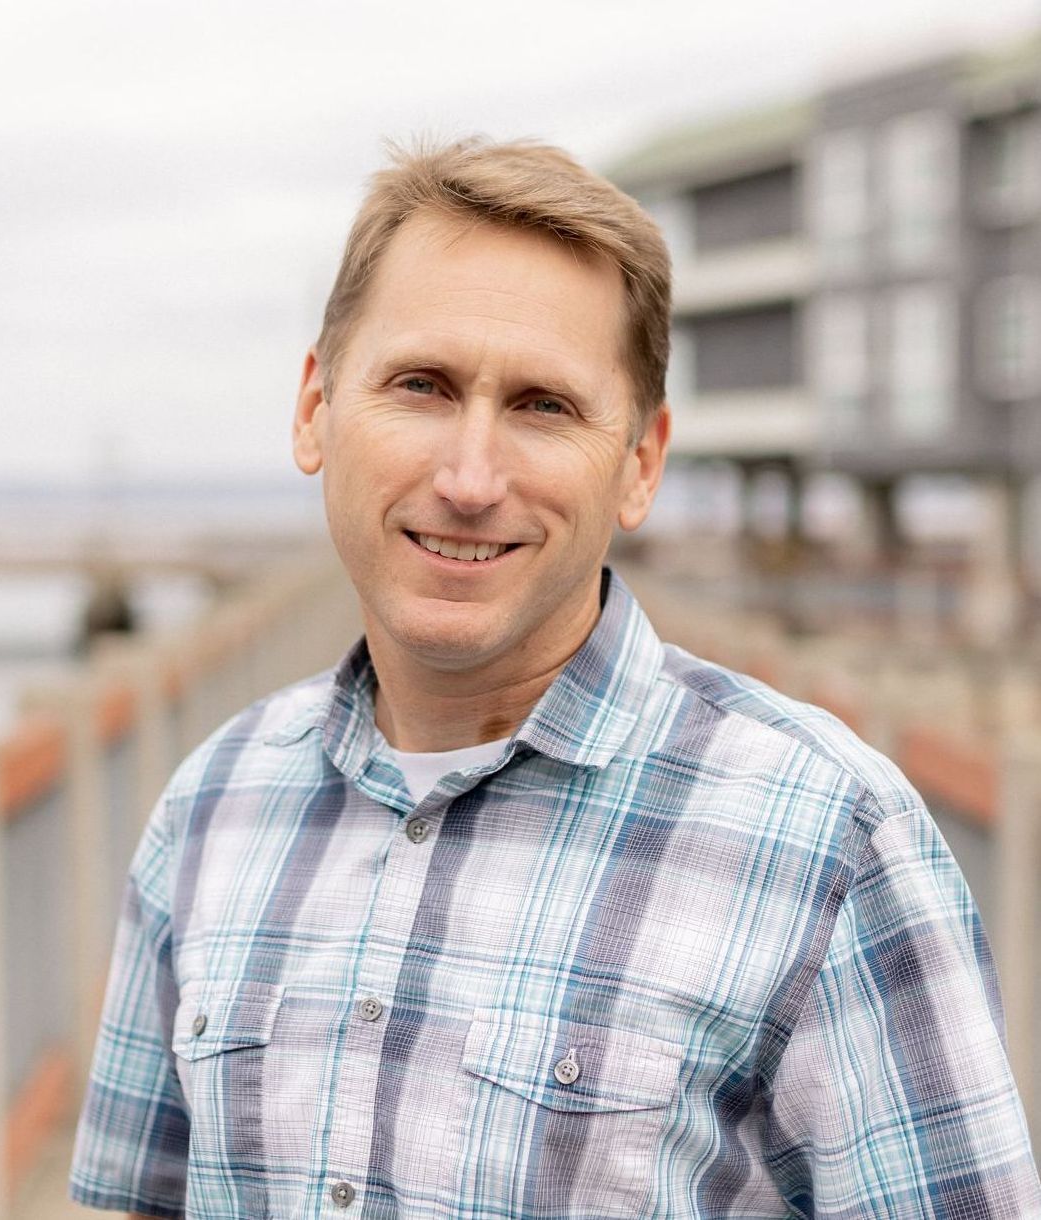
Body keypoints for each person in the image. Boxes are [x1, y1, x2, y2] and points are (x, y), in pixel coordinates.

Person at [69, 138, 1040, 1219]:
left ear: (639, 463)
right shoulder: (211, 804)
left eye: (544, 406)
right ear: (314, 409)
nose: (469, 477)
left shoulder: (830, 843)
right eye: (421, 386)